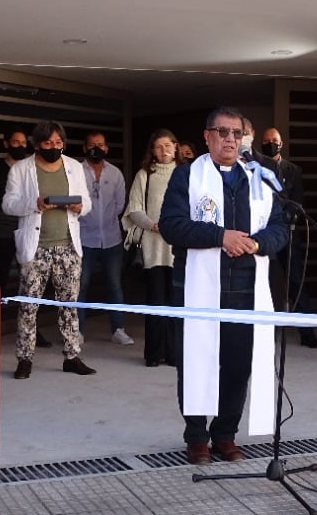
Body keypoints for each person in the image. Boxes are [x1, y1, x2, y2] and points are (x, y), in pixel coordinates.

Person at [161, 107, 288, 465]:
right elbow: (171, 225)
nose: (230, 139)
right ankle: (197, 437)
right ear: (207, 136)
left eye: (237, 133)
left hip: (247, 288)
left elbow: (280, 227)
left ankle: (226, 433)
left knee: (238, 364)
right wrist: (221, 237)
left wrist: (258, 243)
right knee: (196, 361)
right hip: (197, 287)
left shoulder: (259, 178)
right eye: (222, 132)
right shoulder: (186, 176)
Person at [3, 120, 96, 380]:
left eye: (58, 143)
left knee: (69, 304)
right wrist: (35, 203)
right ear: (37, 144)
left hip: (68, 245)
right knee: (29, 306)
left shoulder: (74, 167)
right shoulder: (22, 169)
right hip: (36, 248)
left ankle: (72, 356)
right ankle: (24, 358)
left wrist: (80, 207)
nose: (54, 147)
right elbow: (8, 204)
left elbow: (86, 200)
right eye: (48, 143)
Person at [0, 127, 51, 348]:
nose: (20, 146)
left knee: (31, 284)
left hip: (29, 233)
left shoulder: (31, 170)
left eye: (23, 143)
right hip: (3, 235)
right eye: (16, 142)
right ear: (6, 144)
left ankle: (32, 332)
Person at [122, 129, 179, 367]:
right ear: (152, 151)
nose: (164, 150)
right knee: (156, 302)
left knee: (177, 304)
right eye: (158, 146)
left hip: (180, 249)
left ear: (175, 147)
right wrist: (151, 225)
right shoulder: (144, 174)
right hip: (154, 247)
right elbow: (133, 209)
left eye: (168, 145)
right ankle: (154, 354)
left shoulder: (187, 174)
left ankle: (175, 354)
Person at [258, 127, 316, 348]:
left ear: (281, 143)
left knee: (295, 281)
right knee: (262, 281)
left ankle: (307, 333)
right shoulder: (254, 168)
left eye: (274, 140)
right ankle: (263, 332)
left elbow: (298, 201)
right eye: (266, 140)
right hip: (260, 233)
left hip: (287, 231)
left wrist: (284, 219)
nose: (271, 143)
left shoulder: (293, 170)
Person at [78, 131, 134, 345]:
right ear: (85, 148)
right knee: (81, 285)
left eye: (100, 144)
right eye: (91, 144)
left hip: (111, 238)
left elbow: (120, 205)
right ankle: (78, 331)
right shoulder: (77, 171)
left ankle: (118, 329)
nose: (96, 148)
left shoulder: (115, 173)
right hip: (84, 238)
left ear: (106, 148)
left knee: (114, 285)